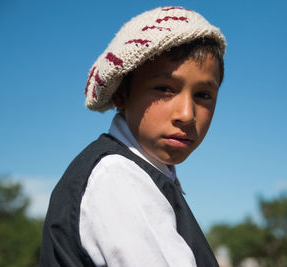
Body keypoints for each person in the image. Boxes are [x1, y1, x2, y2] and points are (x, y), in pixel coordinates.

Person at [40, 6, 226, 267]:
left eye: (203, 95)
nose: (186, 114)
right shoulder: (118, 177)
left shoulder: (150, 176)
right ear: (120, 94)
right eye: (164, 89)